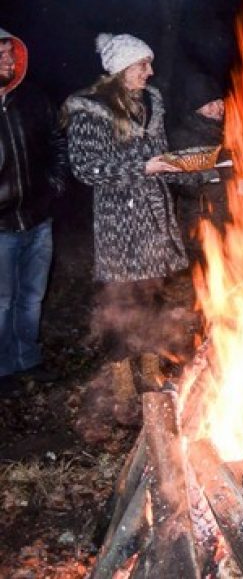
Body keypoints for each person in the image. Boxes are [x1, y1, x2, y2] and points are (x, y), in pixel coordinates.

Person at [62, 33, 217, 359]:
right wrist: (143, 167)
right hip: (120, 220)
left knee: (151, 291)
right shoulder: (90, 111)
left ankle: (148, 363)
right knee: (123, 297)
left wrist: (203, 169)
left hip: (154, 215)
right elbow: (86, 168)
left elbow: (162, 159)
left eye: (149, 64)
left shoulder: (150, 104)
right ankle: (118, 374)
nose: (149, 71)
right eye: (142, 65)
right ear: (121, 68)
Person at [0, 27, 69, 397]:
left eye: (10, 54)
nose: (8, 61)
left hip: (38, 218)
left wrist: (55, 183)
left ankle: (28, 358)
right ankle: (3, 367)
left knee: (31, 296)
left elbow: (57, 140)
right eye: (0, 55)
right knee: (2, 301)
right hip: (1, 226)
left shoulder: (33, 98)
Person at [167, 71, 229, 262]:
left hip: (228, 218)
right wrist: (216, 174)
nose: (218, 108)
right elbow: (179, 183)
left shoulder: (225, 133)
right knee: (206, 278)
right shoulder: (182, 137)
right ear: (197, 109)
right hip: (200, 220)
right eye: (210, 104)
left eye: (220, 102)